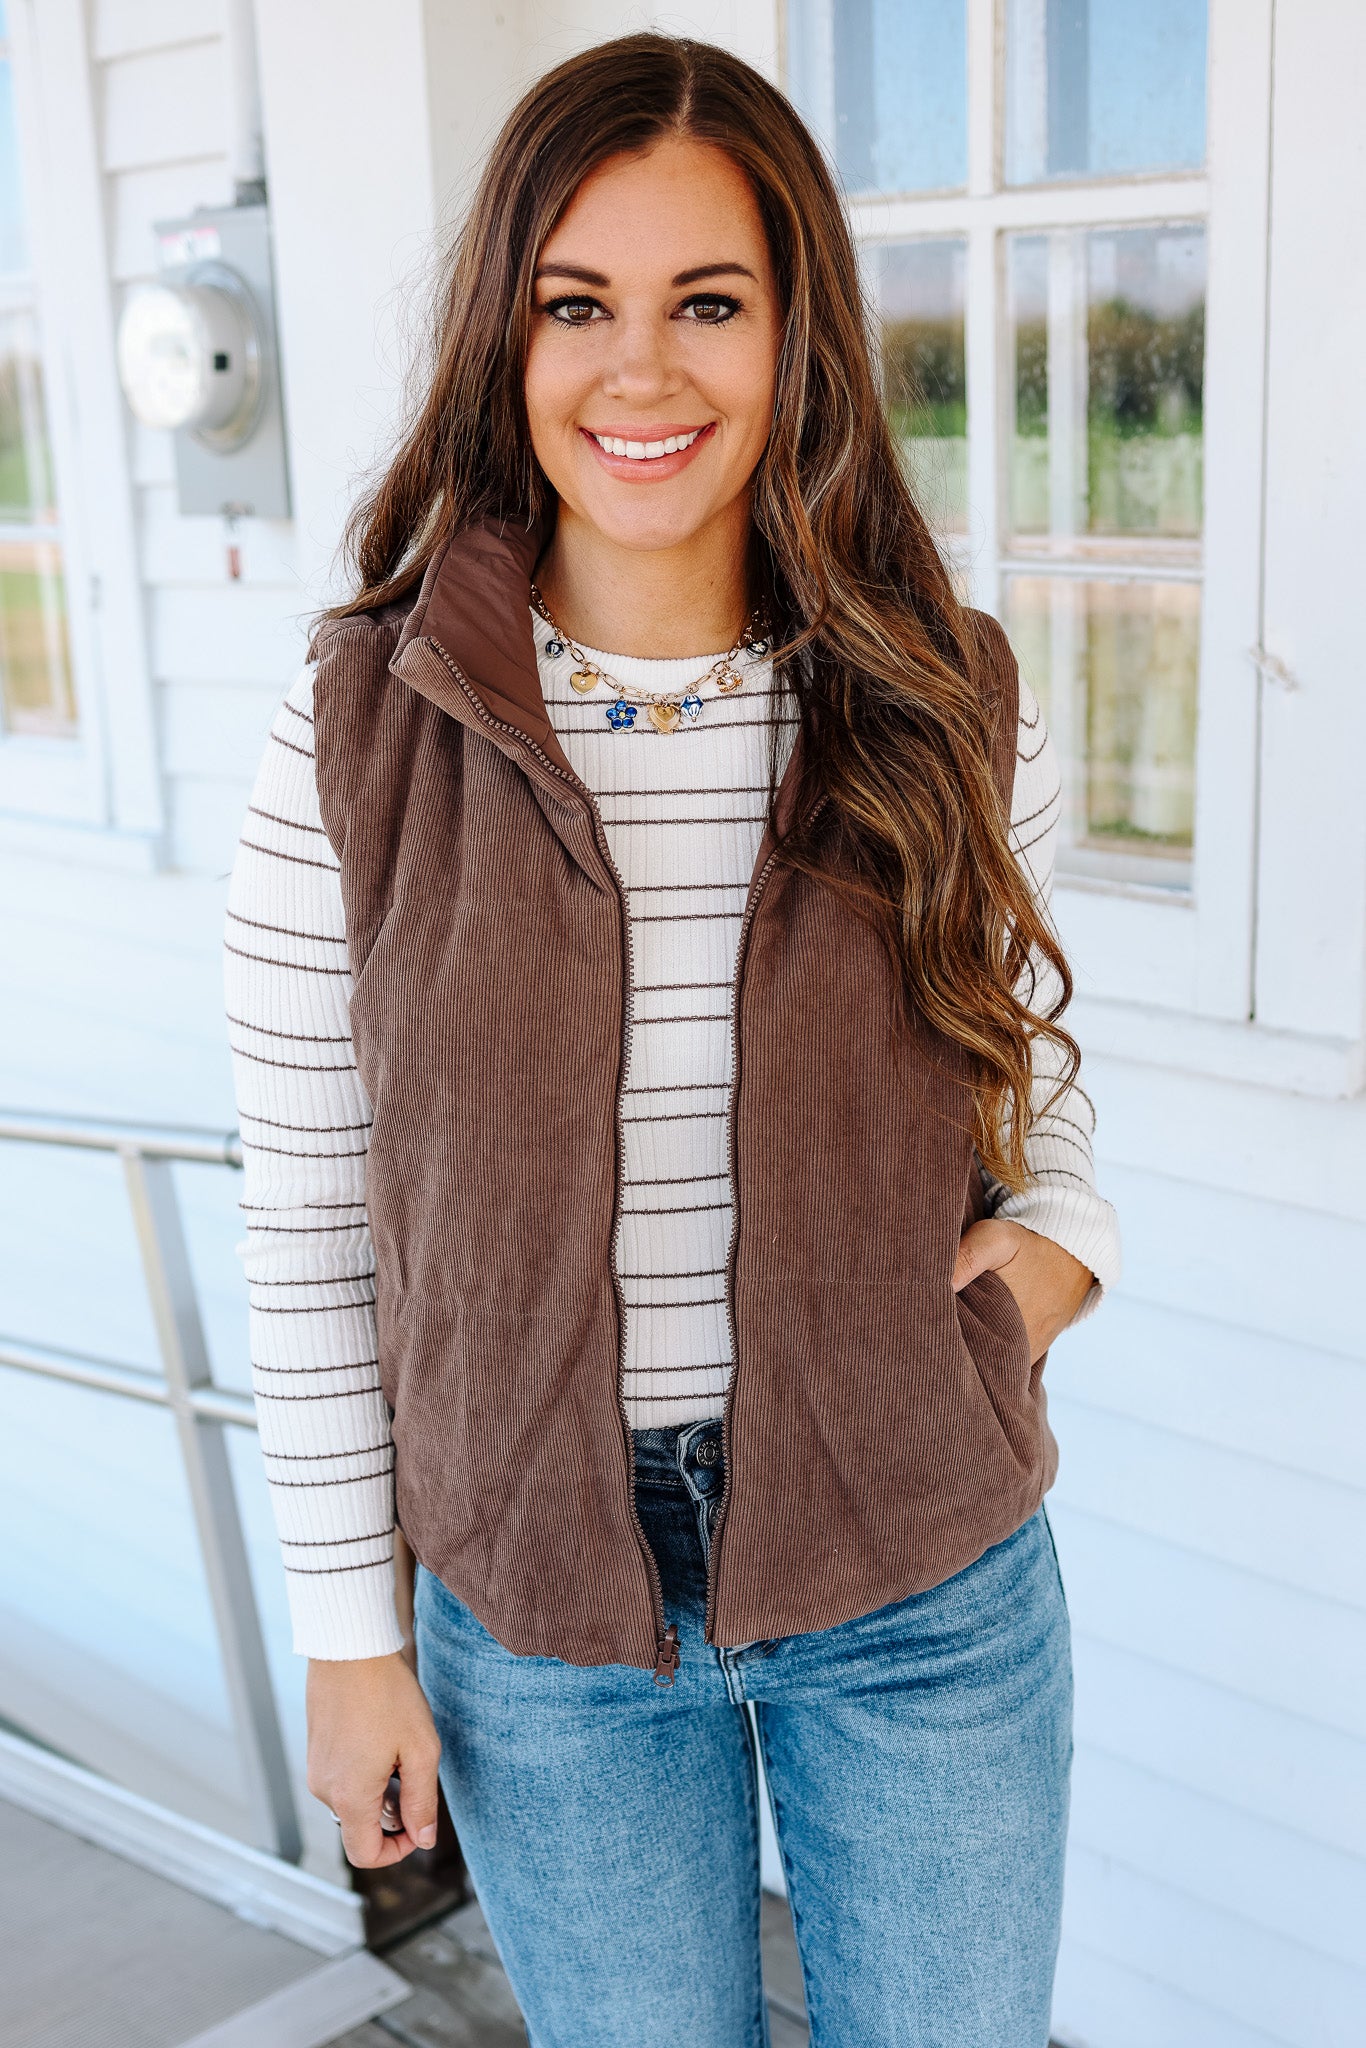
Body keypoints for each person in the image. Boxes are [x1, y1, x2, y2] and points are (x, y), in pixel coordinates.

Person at [225, 32, 1119, 2047]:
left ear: (797, 337)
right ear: (505, 336)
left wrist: (1056, 1253)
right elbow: (306, 1215)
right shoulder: (357, 731)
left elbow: (1031, 1066)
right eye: (577, 305)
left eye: (707, 303)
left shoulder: (948, 703)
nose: (641, 370)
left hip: (920, 1584)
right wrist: (350, 1636)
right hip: (541, 1612)